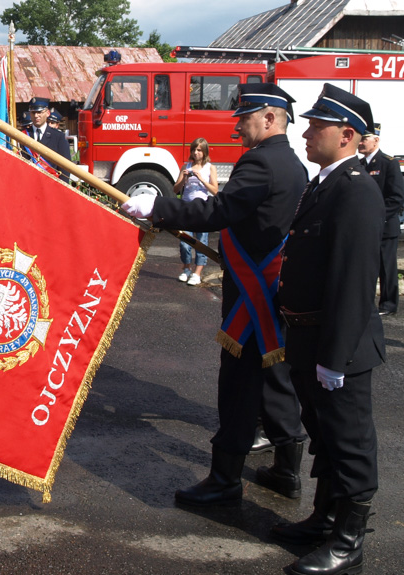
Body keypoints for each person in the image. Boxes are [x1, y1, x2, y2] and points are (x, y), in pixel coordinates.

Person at [121, 83, 307, 506]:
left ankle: (225, 479)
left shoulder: (260, 162)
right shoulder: (291, 163)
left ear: (270, 118)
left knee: (239, 382)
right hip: (270, 287)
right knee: (274, 375)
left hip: (251, 292)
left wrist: (159, 206)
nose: (238, 126)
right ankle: (286, 471)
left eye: (245, 118)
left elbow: (219, 213)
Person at [272, 85, 385, 575]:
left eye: (316, 126)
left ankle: (349, 540)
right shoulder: (323, 183)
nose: (306, 130)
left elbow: (354, 282)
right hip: (308, 338)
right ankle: (323, 518)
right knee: (324, 436)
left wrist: (334, 360)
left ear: (346, 135)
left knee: (350, 442)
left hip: (340, 347)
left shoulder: (357, 190)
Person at [357, 123, 404, 316]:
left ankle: (389, 304)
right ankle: (366, 303)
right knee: (366, 265)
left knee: (386, 267)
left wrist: (377, 217)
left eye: (364, 139)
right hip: (365, 227)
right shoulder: (359, 165)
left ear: (376, 140)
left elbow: (396, 197)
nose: (360, 142)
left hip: (385, 226)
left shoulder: (388, 163)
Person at [173, 138, 219, 286]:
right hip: (186, 207)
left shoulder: (210, 168)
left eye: (199, 150)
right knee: (184, 241)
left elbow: (215, 190)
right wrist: (185, 177)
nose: (196, 152)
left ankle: (197, 273)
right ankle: (186, 268)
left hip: (202, 209)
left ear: (205, 151)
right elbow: (176, 189)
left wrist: (201, 179)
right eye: (194, 150)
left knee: (201, 241)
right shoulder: (186, 166)